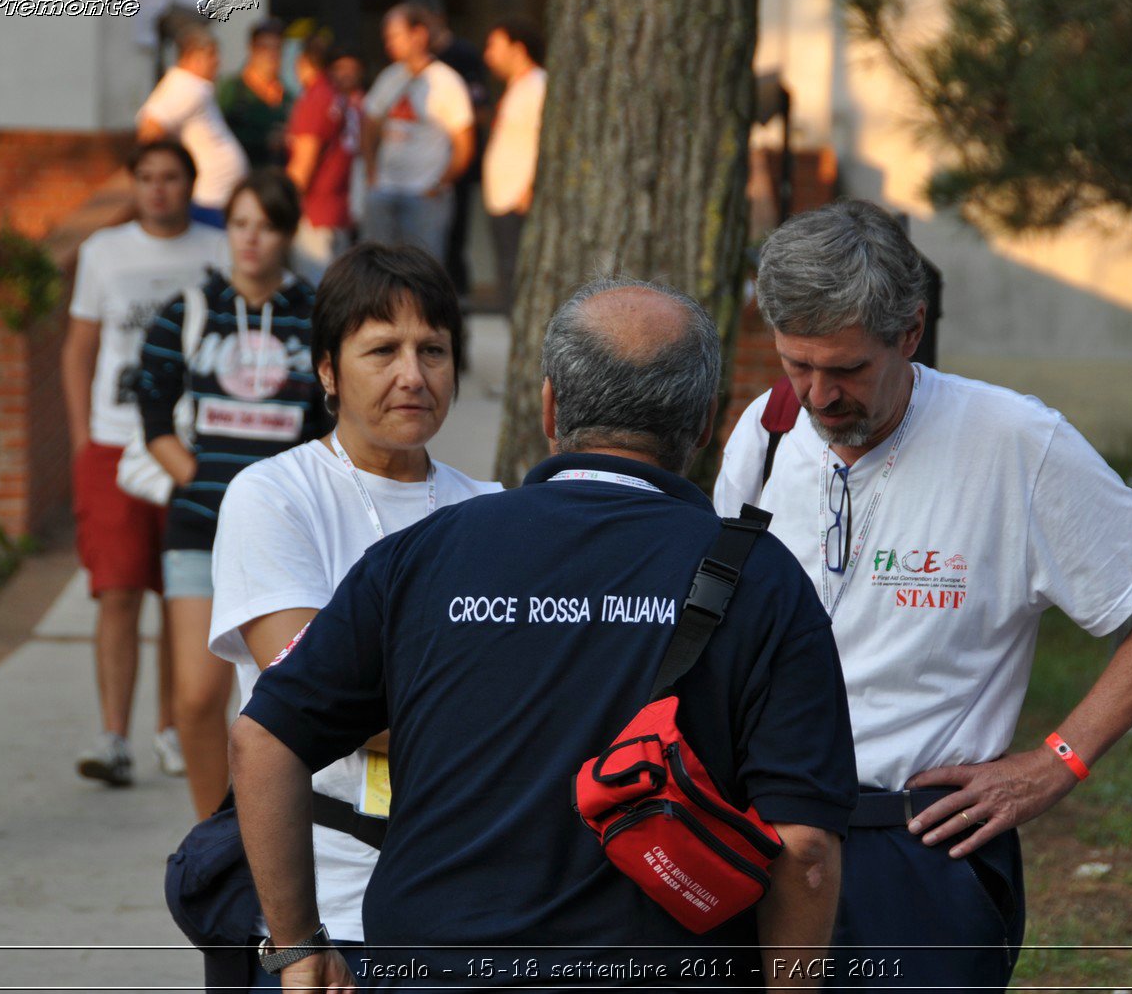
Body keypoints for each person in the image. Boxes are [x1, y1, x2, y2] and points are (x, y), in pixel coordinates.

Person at [230, 279, 857, 989]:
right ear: (706, 421)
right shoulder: (763, 580)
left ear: (550, 404)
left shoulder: (423, 554)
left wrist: (297, 944)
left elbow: (264, 737)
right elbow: (804, 848)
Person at [713, 200, 1132, 990]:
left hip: (916, 852)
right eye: (795, 363)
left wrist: (1058, 761)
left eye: (846, 368)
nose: (817, 395)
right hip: (763, 837)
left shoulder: (1014, 440)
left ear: (910, 333)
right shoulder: (767, 429)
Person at [209, 242, 501, 987]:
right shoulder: (275, 496)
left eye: (432, 349)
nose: (413, 374)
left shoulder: (494, 510)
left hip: (471, 905)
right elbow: (311, 704)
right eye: (383, 349)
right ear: (329, 371)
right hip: (328, 910)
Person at [135, 168, 325, 819]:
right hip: (198, 524)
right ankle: (213, 835)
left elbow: (330, 421)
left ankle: (265, 827)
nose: (250, 239)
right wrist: (190, 473)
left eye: (266, 226)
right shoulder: (191, 308)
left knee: (281, 697)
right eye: (240, 223)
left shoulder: (314, 316)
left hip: (284, 536)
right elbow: (152, 403)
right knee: (195, 699)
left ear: (287, 233)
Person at [62, 140, 229, 787]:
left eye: (171, 178)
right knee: (118, 591)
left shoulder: (215, 252)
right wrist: (82, 437)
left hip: (188, 445)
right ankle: (112, 737)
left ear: (190, 184)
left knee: (181, 593)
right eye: (147, 178)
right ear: (133, 184)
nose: (159, 189)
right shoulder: (104, 252)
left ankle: (172, 729)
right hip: (111, 440)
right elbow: (80, 348)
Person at [360, 4, 475, 264]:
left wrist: (438, 185)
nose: (389, 44)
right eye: (387, 37)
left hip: (424, 196)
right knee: (376, 269)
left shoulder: (446, 81)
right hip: (385, 190)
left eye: (396, 36)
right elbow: (369, 123)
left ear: (419, 34)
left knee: (422, 270)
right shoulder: (390, 77)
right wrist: (372, 174)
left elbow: (464, 144)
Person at [401, 0, 491, 301]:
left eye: (420, 22)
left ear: (437, 19)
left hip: (454, 169)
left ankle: (457, 310)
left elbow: (478, 112)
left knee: (452, 243)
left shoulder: (462, 56)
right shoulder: (409, 66)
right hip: (418, 172)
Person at [138, 22, 249, 228]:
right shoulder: (186, 87)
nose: (217, 62)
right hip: (209, 200)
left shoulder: (189, 86)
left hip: (217, 200)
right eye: (211, 55)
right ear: (193, 56)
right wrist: (175, 167)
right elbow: (149, 130)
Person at [481, 19, 546, 312]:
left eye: (495, 45)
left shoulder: (537, 85)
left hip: (519, 200)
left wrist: (531, 189)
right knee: (509, 272)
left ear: (518, 49)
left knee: (518, 273)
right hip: (504, 198)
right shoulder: (517, 87)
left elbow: (545, 140)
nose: (488, 55)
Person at [286, 40, 354, 285]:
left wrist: (283, 202)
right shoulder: (336, 95)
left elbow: (304, 162)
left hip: (315, 211)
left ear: (302, 63)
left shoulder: (316, 97)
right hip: (336, 208)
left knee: (315, 291)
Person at [219, 18, 294, 171]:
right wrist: (263, 139)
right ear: (251, 49)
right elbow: (219, 134)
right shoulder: (232, 90)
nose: (271, 55)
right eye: (264, 48)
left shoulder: (288, 98)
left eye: (277, 48)